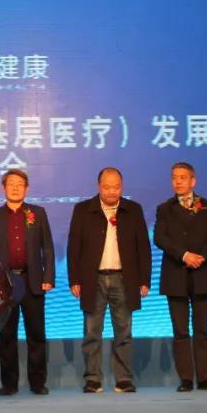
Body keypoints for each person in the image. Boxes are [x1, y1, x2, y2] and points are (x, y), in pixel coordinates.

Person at [67, 167, 151, 393]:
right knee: (92, 332)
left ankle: (123, 379)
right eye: (107, 187)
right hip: (92, 279)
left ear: (122, 187)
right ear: (99, 187)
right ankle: (92, 379)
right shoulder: (83, 210)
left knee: (123, 332)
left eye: (116, 187)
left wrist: (144, 279)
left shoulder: (133, 210)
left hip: (124, 278)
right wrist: (74, 279)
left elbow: (143, 247)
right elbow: (74, 247)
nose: (112, 191)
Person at [0, 169, 54, 396]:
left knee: (36, 335)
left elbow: (47, 247)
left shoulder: (37, 213)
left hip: (32, 280)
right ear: (3, 188)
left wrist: (48, 277)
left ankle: (38, 383)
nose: (15, 187)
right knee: (7, 335)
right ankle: (9, 384)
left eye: (20, 183)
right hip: (6, 283)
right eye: (11, 183)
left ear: (26, 189)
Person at [153, 162, 207, 392]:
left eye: (183, 177)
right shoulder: (165, 208)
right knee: (180, 330)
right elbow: (160, 238)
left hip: (203, 273)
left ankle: (205, 377)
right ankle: (185, 378)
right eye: (174, 177)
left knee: (202, 329)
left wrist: (202, 257)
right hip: (175, 274)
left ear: (193, 181)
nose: (178, 181)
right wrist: (184, 255)